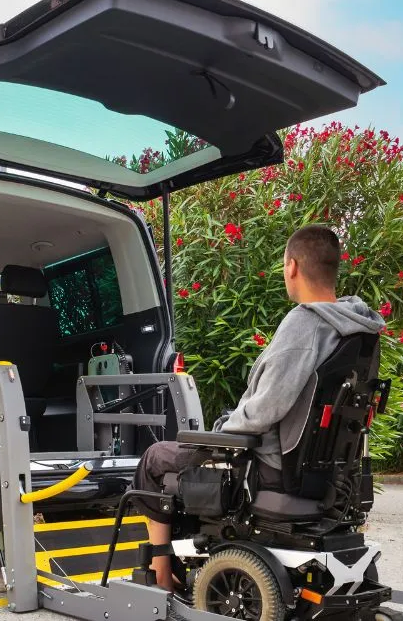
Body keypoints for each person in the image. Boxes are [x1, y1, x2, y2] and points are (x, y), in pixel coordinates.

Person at [131, 224, 386, 591]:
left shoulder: (306, 324)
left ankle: (160, 577)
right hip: (325, 474)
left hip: (270, 467)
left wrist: (218, 436)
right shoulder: (359, 330)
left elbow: (265, 409)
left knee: (156, 460)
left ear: (292, 267)